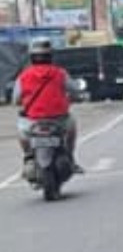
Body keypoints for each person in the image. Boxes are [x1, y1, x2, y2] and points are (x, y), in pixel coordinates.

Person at [14, 39, 77, 173]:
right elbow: (74, 90)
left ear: (31, 57)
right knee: (72, 127)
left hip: (32, 121)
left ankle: (29, 156)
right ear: (50, 56)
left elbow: (16, 99)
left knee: (21, 132)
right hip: (60, 119)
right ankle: (70, 157)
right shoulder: (60, 73)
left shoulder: (24, 76)